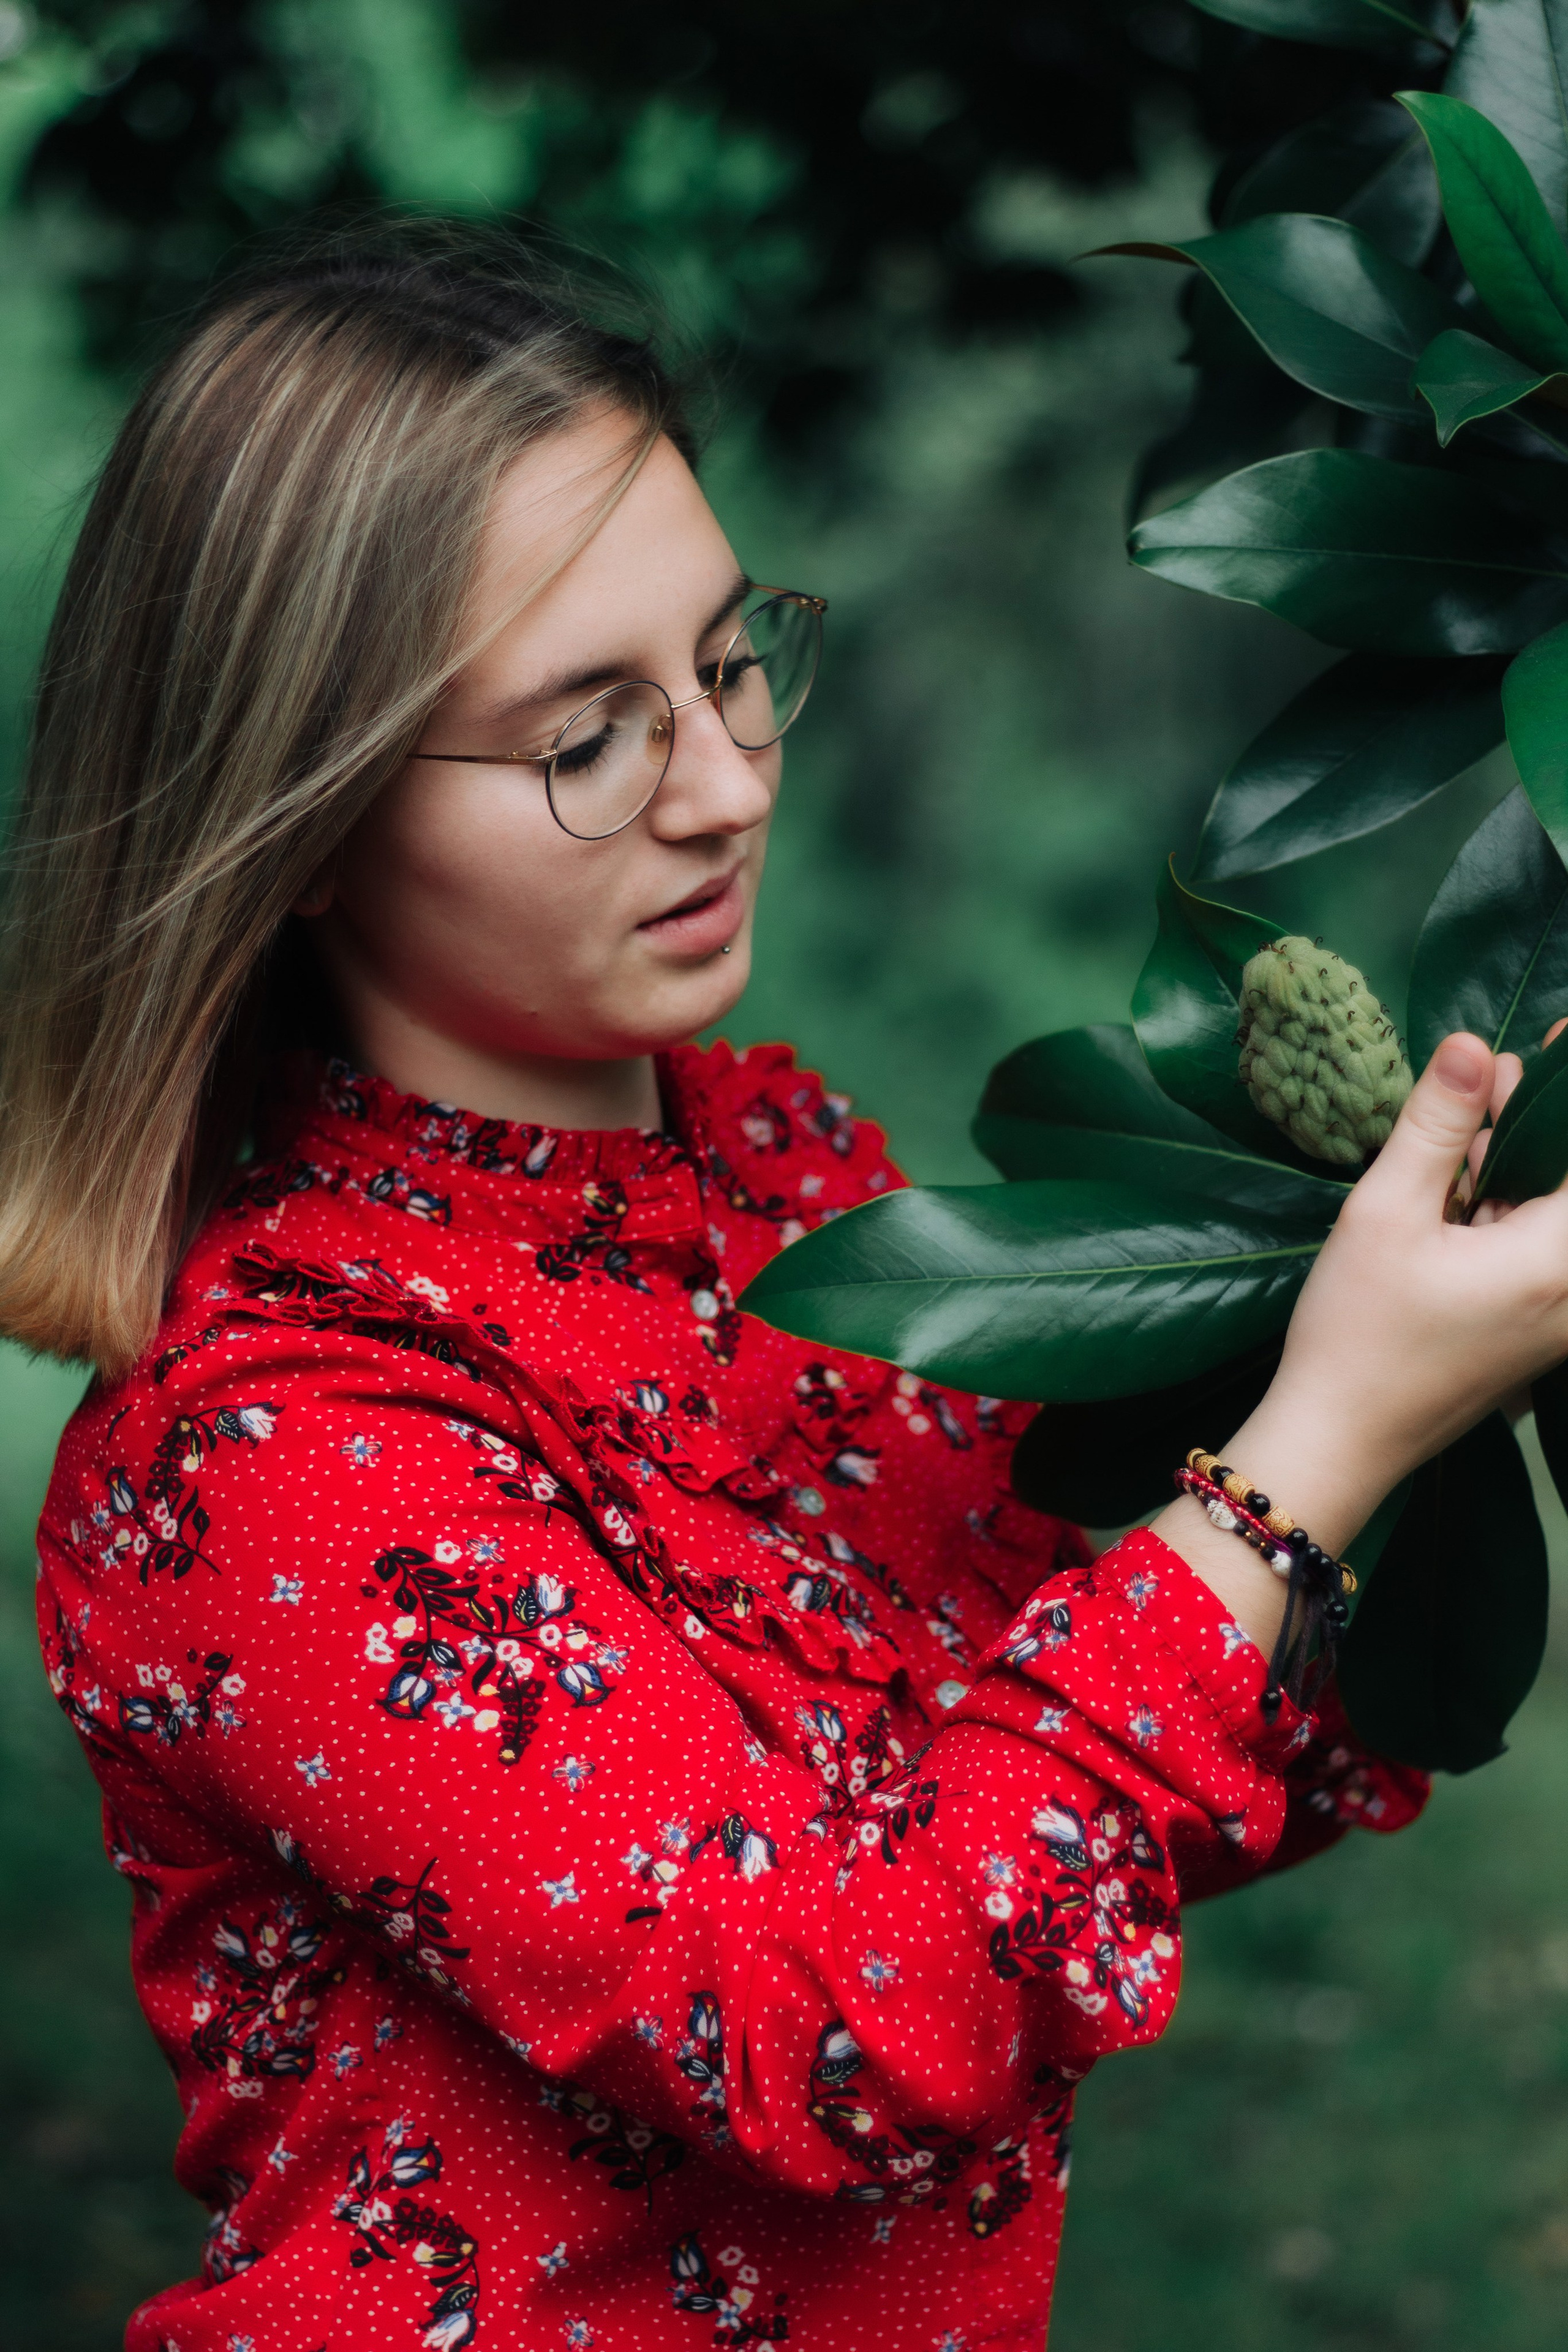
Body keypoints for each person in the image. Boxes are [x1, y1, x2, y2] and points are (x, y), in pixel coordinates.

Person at [4, 221, 1564, 2352]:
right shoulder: (268, 1446)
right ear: (308, 802)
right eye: (590, 740)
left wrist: (1424, 1351)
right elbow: (837, 2015)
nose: (732, 788)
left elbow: (1058, 1790)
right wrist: (1307, 1455)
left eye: (730, 666)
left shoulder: (769, 1167)